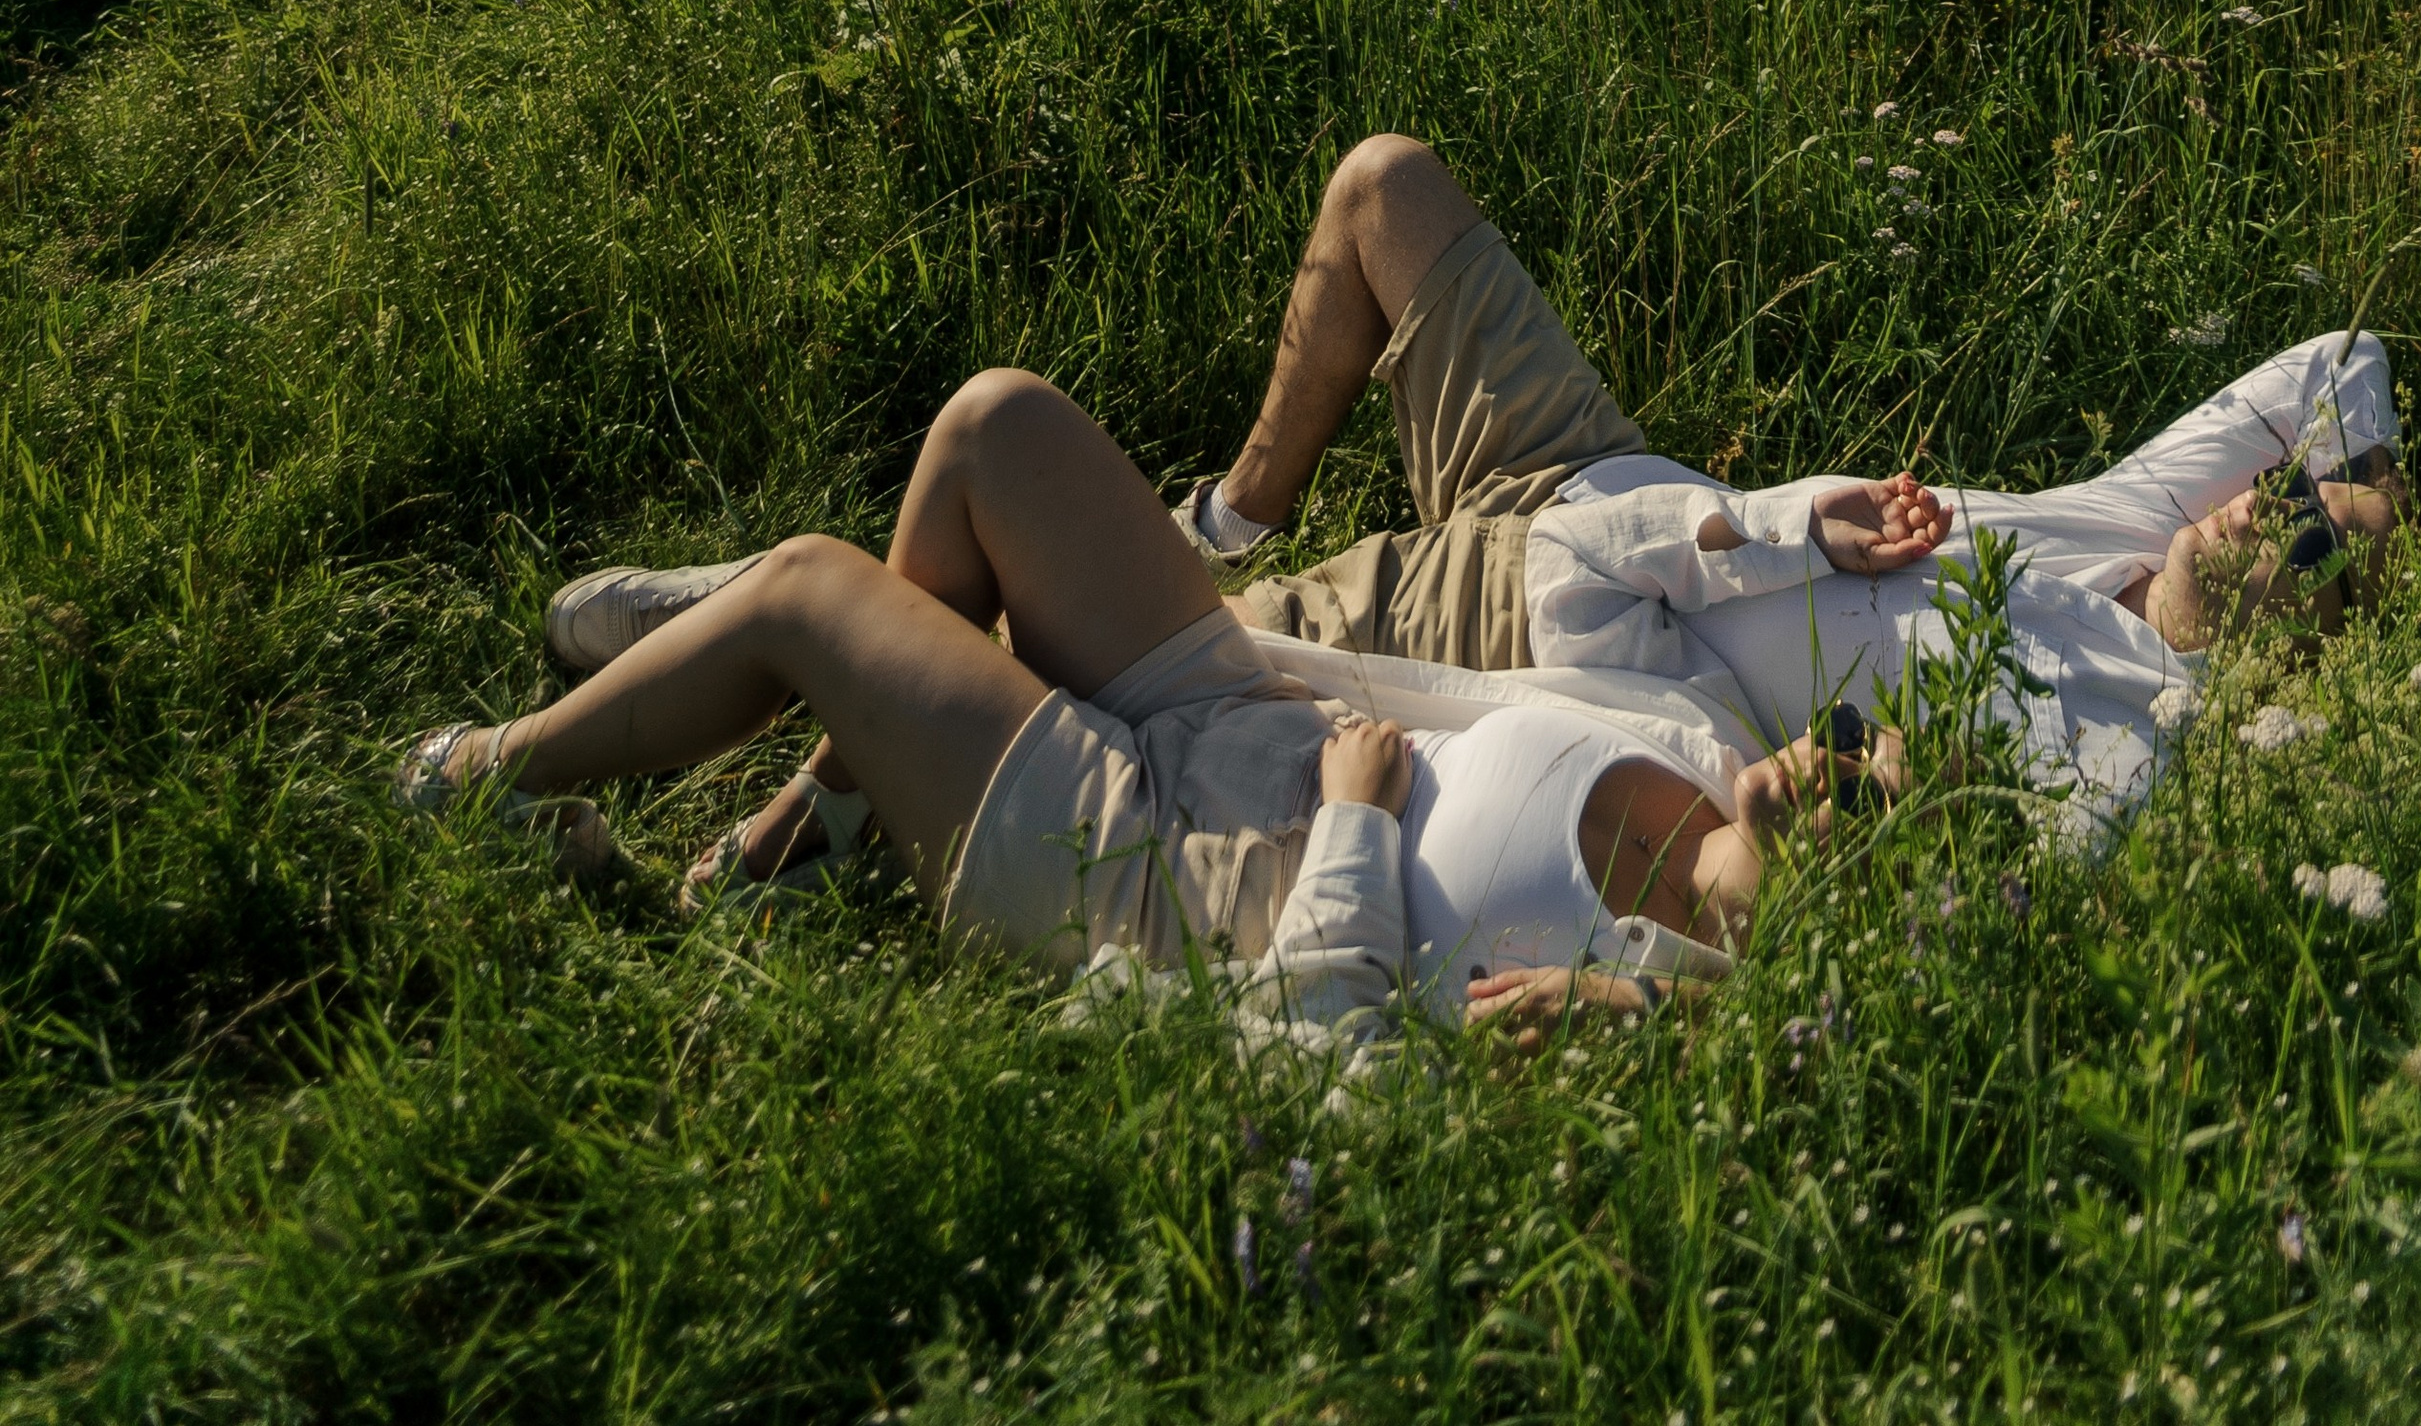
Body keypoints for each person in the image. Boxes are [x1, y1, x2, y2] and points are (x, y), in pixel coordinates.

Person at [536, 133, 2407, 886]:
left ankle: (781, 701)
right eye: (2288, 501)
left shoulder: (2131, 733)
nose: (2269, 511)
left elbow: (1928, 863)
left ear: (2285, 625)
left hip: (1503, 638)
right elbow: (2348, 358)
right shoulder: (2110, 527)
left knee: (1069, 636)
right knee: (1383, 187)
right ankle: (1231, 520)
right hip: (1603, 487)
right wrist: (2371, 482)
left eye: (2299, 540)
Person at [397, 360, 1889, 1042]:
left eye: (1862, 801)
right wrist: (1769, 526)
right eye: (1852, 746)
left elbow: (1321, 1068)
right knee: (996, 429)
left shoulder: (1626, 1013)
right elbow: (1582, 580)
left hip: (1152, 872)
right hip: (1246, 709)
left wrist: (1360, 837)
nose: (1826, 765)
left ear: (1859, 925)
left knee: (803, 588)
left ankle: (484, 780)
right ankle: (809, 834)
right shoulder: (1704, 747)